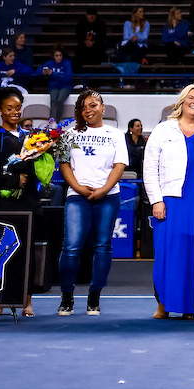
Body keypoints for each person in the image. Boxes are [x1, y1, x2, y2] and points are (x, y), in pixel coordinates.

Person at [144, 84, 194, 319]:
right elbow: (149, 168)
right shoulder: (162, 130)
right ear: (182, 101)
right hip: (171, 202)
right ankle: (163, 304)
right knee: (167, 255)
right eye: (191, 97)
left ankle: (191, 307)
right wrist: (156, 200)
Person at [57, 89, 127, 317]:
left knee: (103, 246)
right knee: (71, 247)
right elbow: (64, 165)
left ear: (103, 107)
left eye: (93, 105)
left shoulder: (115, 134)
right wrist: (77, 188)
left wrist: (104, 190)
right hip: (77, 196)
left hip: (107, 196)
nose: (89, 109)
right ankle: (67, 295)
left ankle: (94, 296)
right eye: (84, 106)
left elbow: (119, 165)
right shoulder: (69, 133)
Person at [0, 87, 43, 316]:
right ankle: (0, 301)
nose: (15, 112)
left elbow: (36, 168)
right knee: (1, 251)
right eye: (9, 109)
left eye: (18, 108)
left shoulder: (30, 138)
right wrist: (14, 179)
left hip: (30, 202)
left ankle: (27, 301)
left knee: (26, 251)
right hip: (3, 204)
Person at [39, 46, 74, 121]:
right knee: (53, 100)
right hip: (54, 86)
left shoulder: (67, 64)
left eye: (60, 55)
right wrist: (43, 72)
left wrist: (52, 73)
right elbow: (37, 70)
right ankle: (52, 121)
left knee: (60, 100)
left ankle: (58, 121)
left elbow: (67, 78)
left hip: (66, 86)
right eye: (56, 56)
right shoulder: (50, 63)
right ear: (53, 56)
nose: (59, 57)